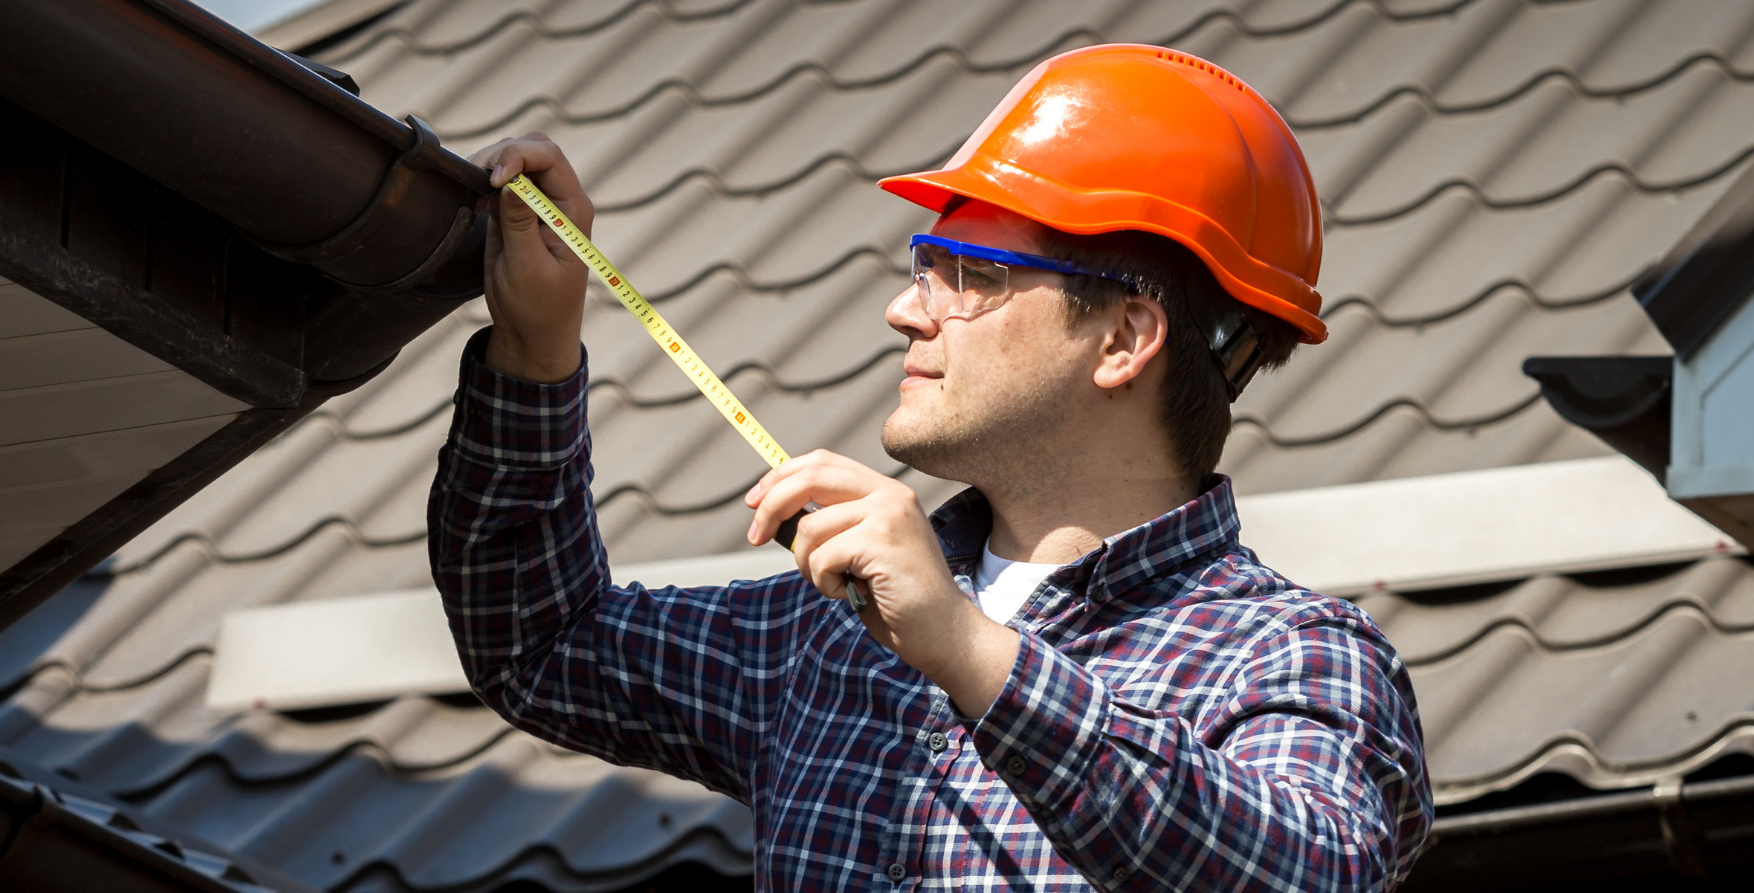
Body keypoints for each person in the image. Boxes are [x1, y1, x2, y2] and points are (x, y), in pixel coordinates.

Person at [430, 44, 1432, 892]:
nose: (907, 310)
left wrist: (969, 652)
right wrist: (535, 349)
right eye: (925, 265)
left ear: (1123, 338)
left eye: (974, 275)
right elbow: (541, 641)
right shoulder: (826, 632)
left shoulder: (1291, 654)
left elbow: (1314, 865)